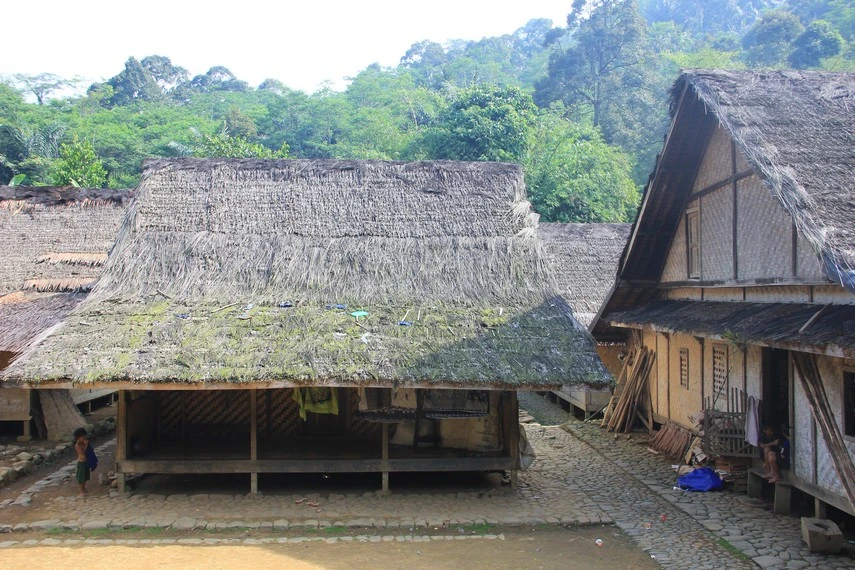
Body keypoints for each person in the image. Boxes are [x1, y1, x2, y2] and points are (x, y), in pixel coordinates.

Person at [73, 427, 90, 495]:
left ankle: (84, 488)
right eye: (82, 437)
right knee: (81, 477)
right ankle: (81, 490)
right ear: (78, 438)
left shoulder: (82, 444)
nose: (84, 438)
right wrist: (86, 445)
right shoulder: (77, 445)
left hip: (85, 462)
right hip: (81, 462)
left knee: (85, 477)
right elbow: (83, 453)